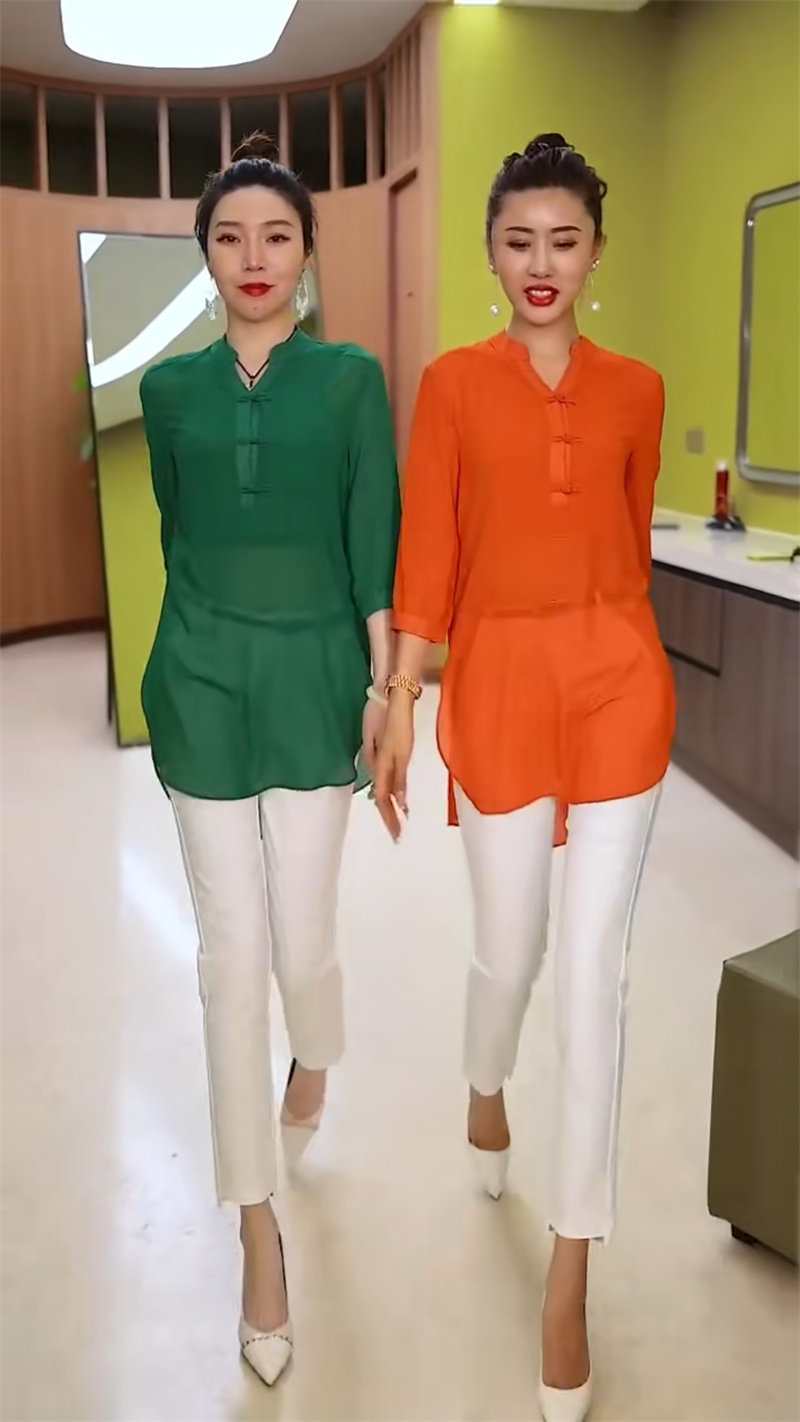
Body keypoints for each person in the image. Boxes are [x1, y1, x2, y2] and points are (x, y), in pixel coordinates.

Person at [375, 134, 674, 1422]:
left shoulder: (637, 391)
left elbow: (627, 539)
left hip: (618, 680)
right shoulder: (450, 385)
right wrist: (399, 697)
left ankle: (570, 1270)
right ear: (490, 252)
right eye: (517, 241)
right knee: (511, 951)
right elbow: (427, 555)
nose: (540, 263)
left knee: (595, 970)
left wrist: (602, 634)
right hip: (496, 684)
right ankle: (482, 1080)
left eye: (562, 240)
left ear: (594, 252)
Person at [140, 134, 400, 1387]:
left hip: (314, 687)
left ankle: (319, 1051)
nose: (253, 257)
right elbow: (179, 533)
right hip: (199, 684)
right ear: (206, 254)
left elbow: (371, 540)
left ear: (306, 253)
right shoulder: (170, 393)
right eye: (230, 236)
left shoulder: (350, 382)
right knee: (230, 961)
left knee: (302, 944)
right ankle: (258, 1231)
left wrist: (386, 691)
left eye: (276, 236)